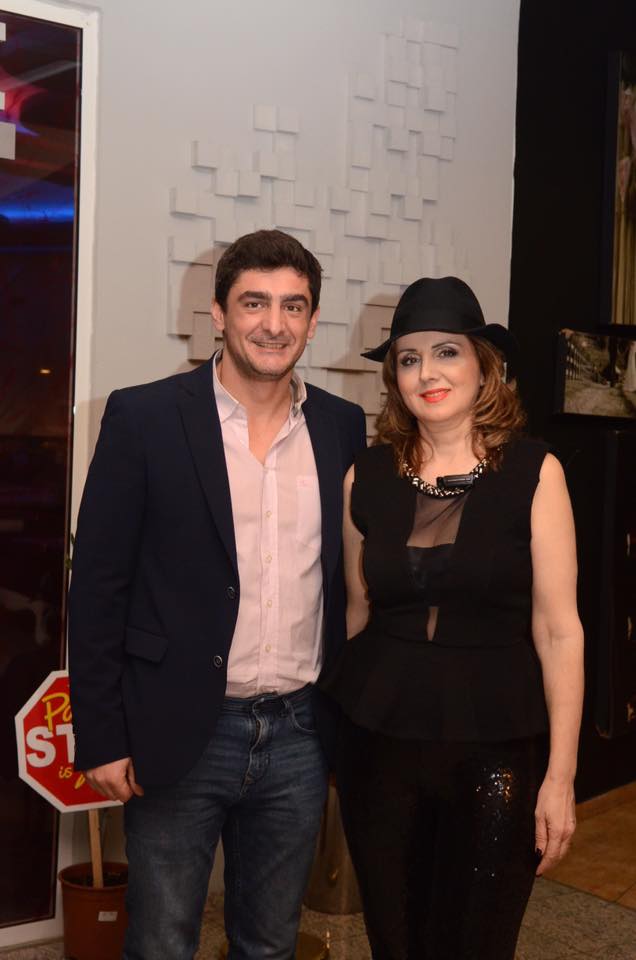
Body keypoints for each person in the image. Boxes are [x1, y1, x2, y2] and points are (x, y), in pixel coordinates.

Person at [68, 229, 367, 960]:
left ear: (312, 321)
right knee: (161, 943)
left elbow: (347, 581)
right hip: (179, 729)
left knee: (268, 943)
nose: (274, 323)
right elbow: (99, 588)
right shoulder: (144, 417)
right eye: (254, 303)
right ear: (218, 313)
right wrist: (102, 735)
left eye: (293, 306)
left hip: (299, 734)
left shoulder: (340, 426)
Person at [320, 276, 584, 960]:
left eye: (446, 352)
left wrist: (561, 778)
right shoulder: (364, 478)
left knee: (477, 942)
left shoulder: (536, 473)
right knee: (395, 941)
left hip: (496, 748)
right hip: (376, 745)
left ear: (483, 366)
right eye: (409, 358)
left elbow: (560, 632)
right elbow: (356, 614)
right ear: (395, 378)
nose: (427, 373)